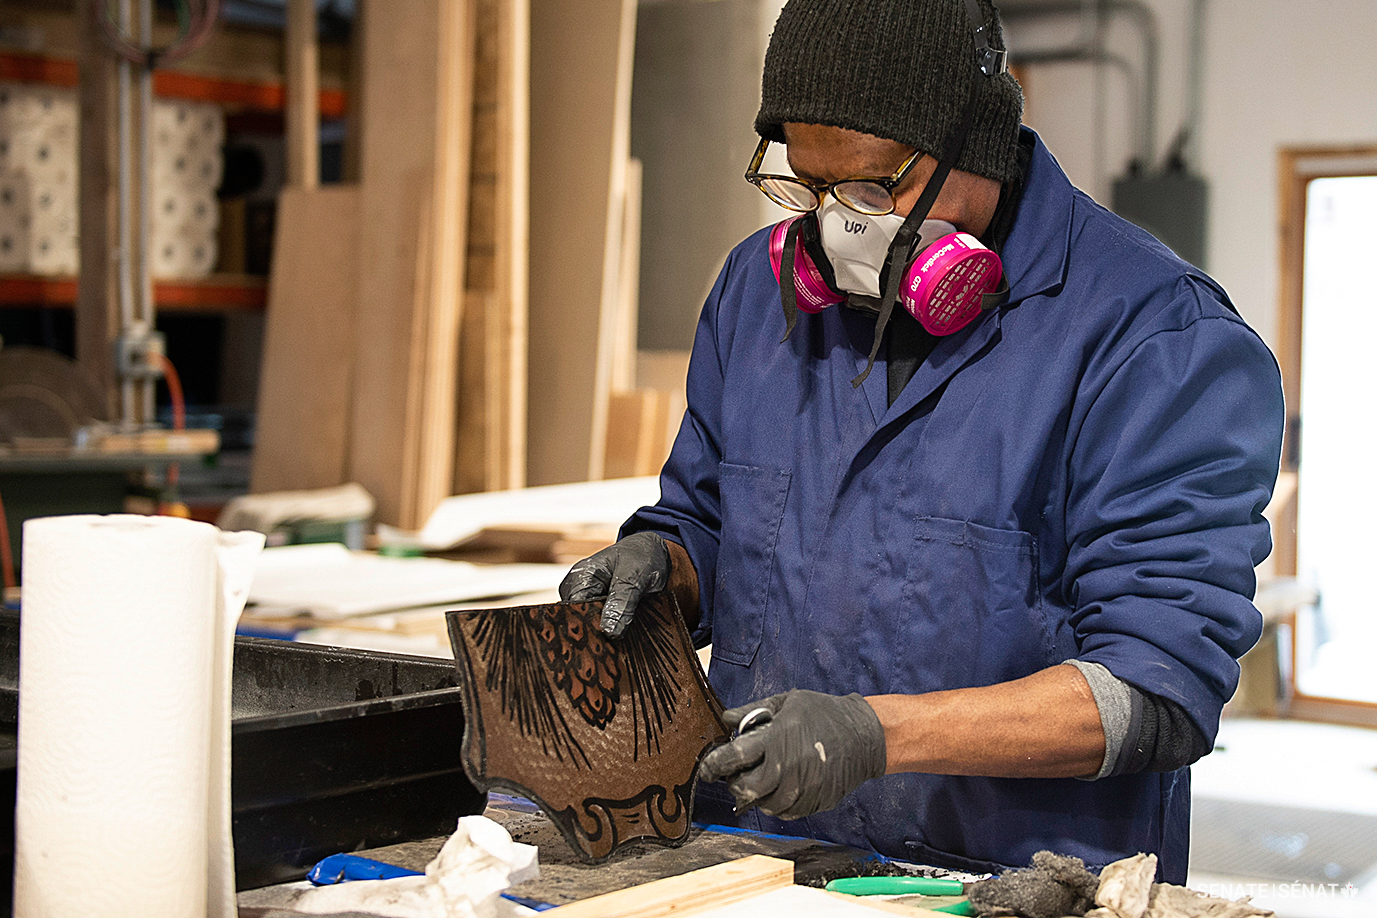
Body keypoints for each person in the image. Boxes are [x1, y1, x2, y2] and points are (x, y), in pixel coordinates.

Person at [559, 0, 1283, 885]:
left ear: (977, 144)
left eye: (873, 189)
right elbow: (713, 522)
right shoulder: (760, 293)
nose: (836, 227)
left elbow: (1158, 691)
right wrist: (662, 566)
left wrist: (876, 735)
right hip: (752, 865)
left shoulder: (1157, 341)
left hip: (1006, 884)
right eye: (810, 187)